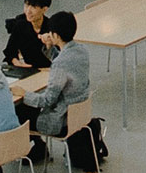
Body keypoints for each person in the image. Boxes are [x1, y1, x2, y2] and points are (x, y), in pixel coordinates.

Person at [20, 12, 93, 164]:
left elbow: (48, 100)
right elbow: (64, 64)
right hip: (77, 114)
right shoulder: (82, 50)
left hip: (61, 119)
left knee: (20, 111)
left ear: (56, 35)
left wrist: (24, 94)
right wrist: (49, 47)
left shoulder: (61, 63)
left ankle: (37, 150)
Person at [3, 0, 54, 73]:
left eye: (33, 7)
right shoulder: (20, 25)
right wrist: (17, 62)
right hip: (27, 70)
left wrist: (49, 46)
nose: (28, 11)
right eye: (26, 5)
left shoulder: (51, 28)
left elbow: (61, 58)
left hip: (49, 71)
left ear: (44, 9)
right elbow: (10, 51)